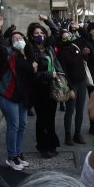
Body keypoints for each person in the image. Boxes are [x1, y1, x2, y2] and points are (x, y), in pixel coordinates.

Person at [0, 31, 36, 170]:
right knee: (14, 125)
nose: (18, 40)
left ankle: (18, 153)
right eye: (14, 39)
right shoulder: (9, 53)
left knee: (22, 124)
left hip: (22, 96)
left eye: (20, 38)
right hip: (7, 94)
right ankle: (11, 157)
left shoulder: (28, 54)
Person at [27, 21, 62, 158]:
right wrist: (48, 74)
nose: (39, 35)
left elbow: (56, 32)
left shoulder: (48, 48)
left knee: (51, 118)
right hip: (38, 90)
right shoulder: (30, 51)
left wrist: (48, 20)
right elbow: (32, 74)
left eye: (42, 33)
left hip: (51, 87)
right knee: (42, 119)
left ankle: (52, 144)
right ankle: (42, 146)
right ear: (31, 36)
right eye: (36, 33)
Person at [57, 27, 89, 145]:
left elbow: (86, 35)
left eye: (68, 36)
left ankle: (77, 134)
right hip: (72, 84)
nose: (67, 39)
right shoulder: (62, 52)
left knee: (80, 110)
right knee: (70, 110)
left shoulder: (76, 46)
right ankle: (68, 135)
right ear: (61, 40)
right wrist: (69, 89)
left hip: (81, 82)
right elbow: (64, 72)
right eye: (64, 38)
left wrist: (78, 27)